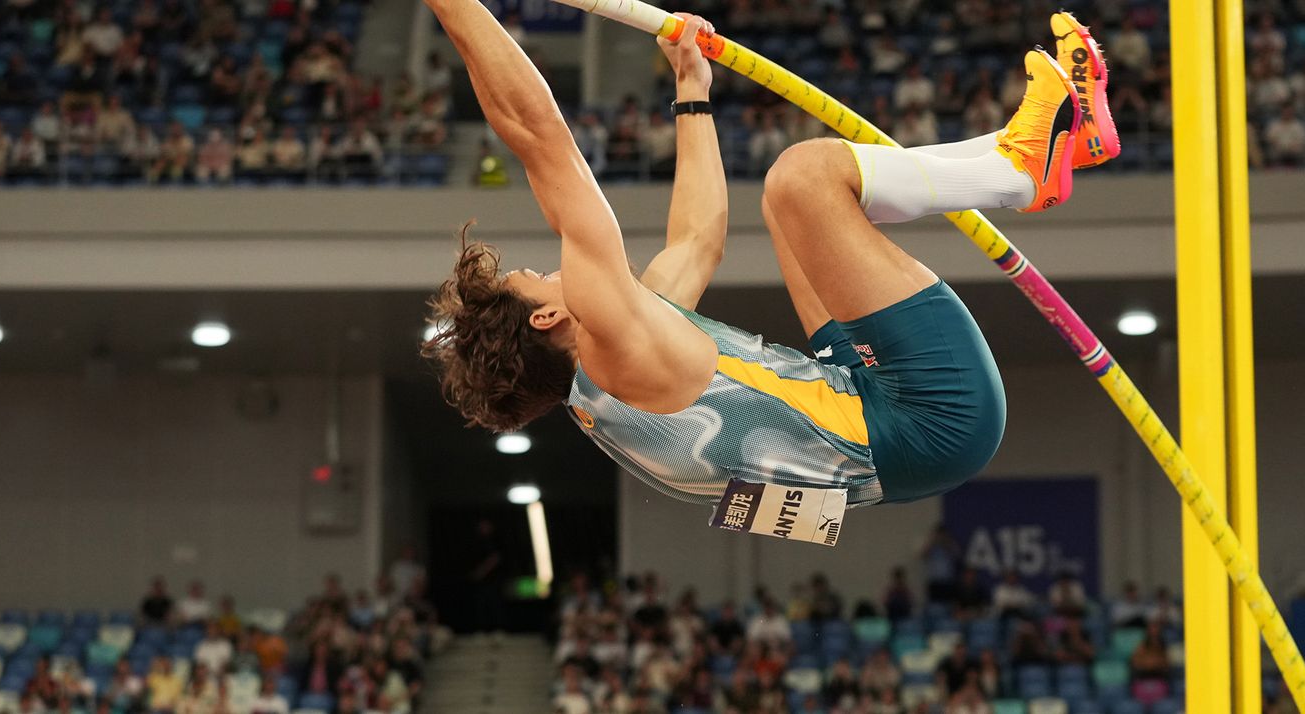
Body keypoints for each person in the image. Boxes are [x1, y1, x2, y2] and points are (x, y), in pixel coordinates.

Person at [417, 0, 1118, 522]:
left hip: (867, 411)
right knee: (801, 179)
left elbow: (698, 239)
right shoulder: (610, 333)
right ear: (545, 315)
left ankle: (1056, 141)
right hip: (927, 419)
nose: (551, 267)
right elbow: (538, 137)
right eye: (536, 276)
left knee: (787, 207)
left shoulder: (615, 379)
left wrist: (691, 95)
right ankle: (1022, 171)